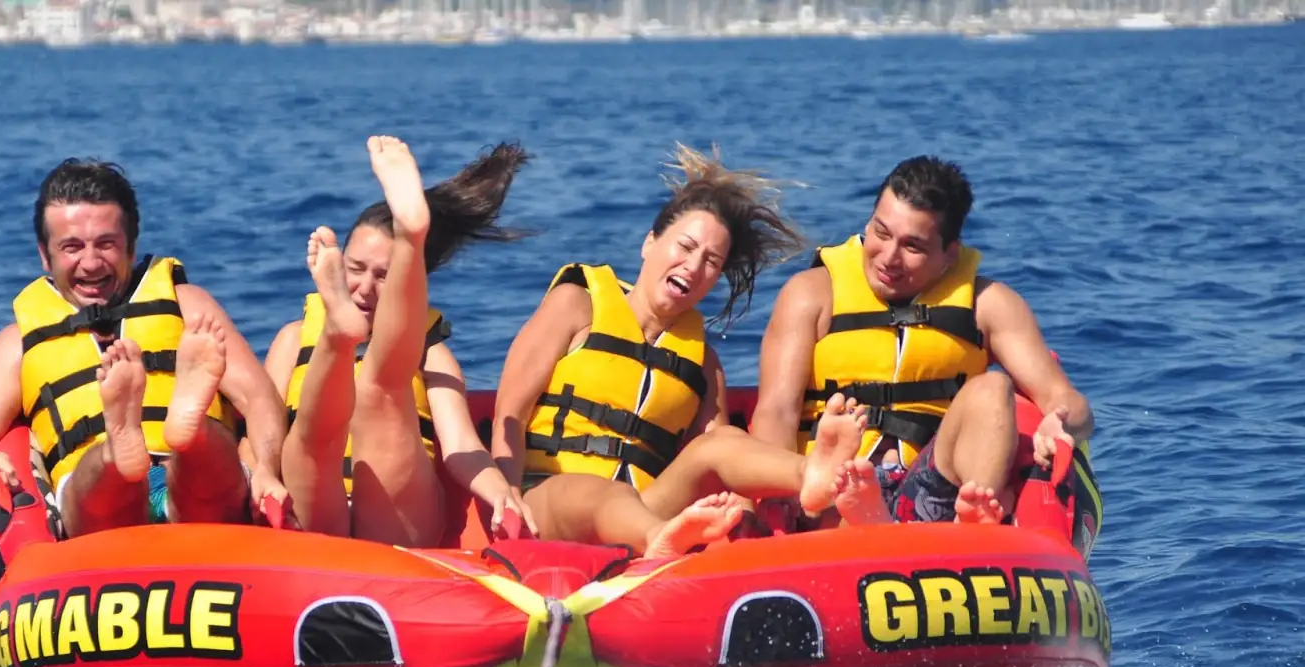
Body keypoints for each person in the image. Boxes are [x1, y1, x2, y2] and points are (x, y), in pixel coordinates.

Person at [491, 143, 865, 558]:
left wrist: (741, 520)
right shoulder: (577, 304)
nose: (694, 266)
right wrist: (507, 499)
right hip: (548, 503)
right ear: (650, 243)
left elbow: (722, 464)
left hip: (648, 512)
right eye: (685, 247)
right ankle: (659, 541)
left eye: (711, 261)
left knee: (720, 440)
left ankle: (808, 472)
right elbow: (511, 409)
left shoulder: (701, 362)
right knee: (599, 494)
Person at [0, 158, 289, 539]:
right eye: (72, 247)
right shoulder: (18, 345)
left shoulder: (186, 305)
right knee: (101, 478)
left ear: (131, 246)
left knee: (206, 461)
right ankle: (119, 444)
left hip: (189, 491)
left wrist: (268, 471)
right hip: (98, 514)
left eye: (106, 244)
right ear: (45, 254)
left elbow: (260, 398)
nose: (90, 263)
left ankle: (188, 434)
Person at [750, 155, 1094, 528]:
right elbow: (777, 411)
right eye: (881, 233)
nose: (889, 257)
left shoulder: (989, 304)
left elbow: (1070, 404)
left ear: (949, 255)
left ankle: (972, 533)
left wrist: (1060, 424)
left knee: (994, 387)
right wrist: (776, 508)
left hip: (929, 496)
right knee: (848, 489)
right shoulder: (811, 294)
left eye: (912, 247)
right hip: (834, 490)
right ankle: (866, 522)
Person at [255, 136, 535, 547]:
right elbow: (262, 434)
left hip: (400, 516)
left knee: (379, 390)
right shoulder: (292, 340)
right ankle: (339, 335)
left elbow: (460, 446)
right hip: (314, 510)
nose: (365, 287)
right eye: (354, 268)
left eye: (384, 276)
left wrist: (501, 494)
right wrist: (261, 469)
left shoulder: (432, 355)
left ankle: (409, 238)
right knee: (309, 443)